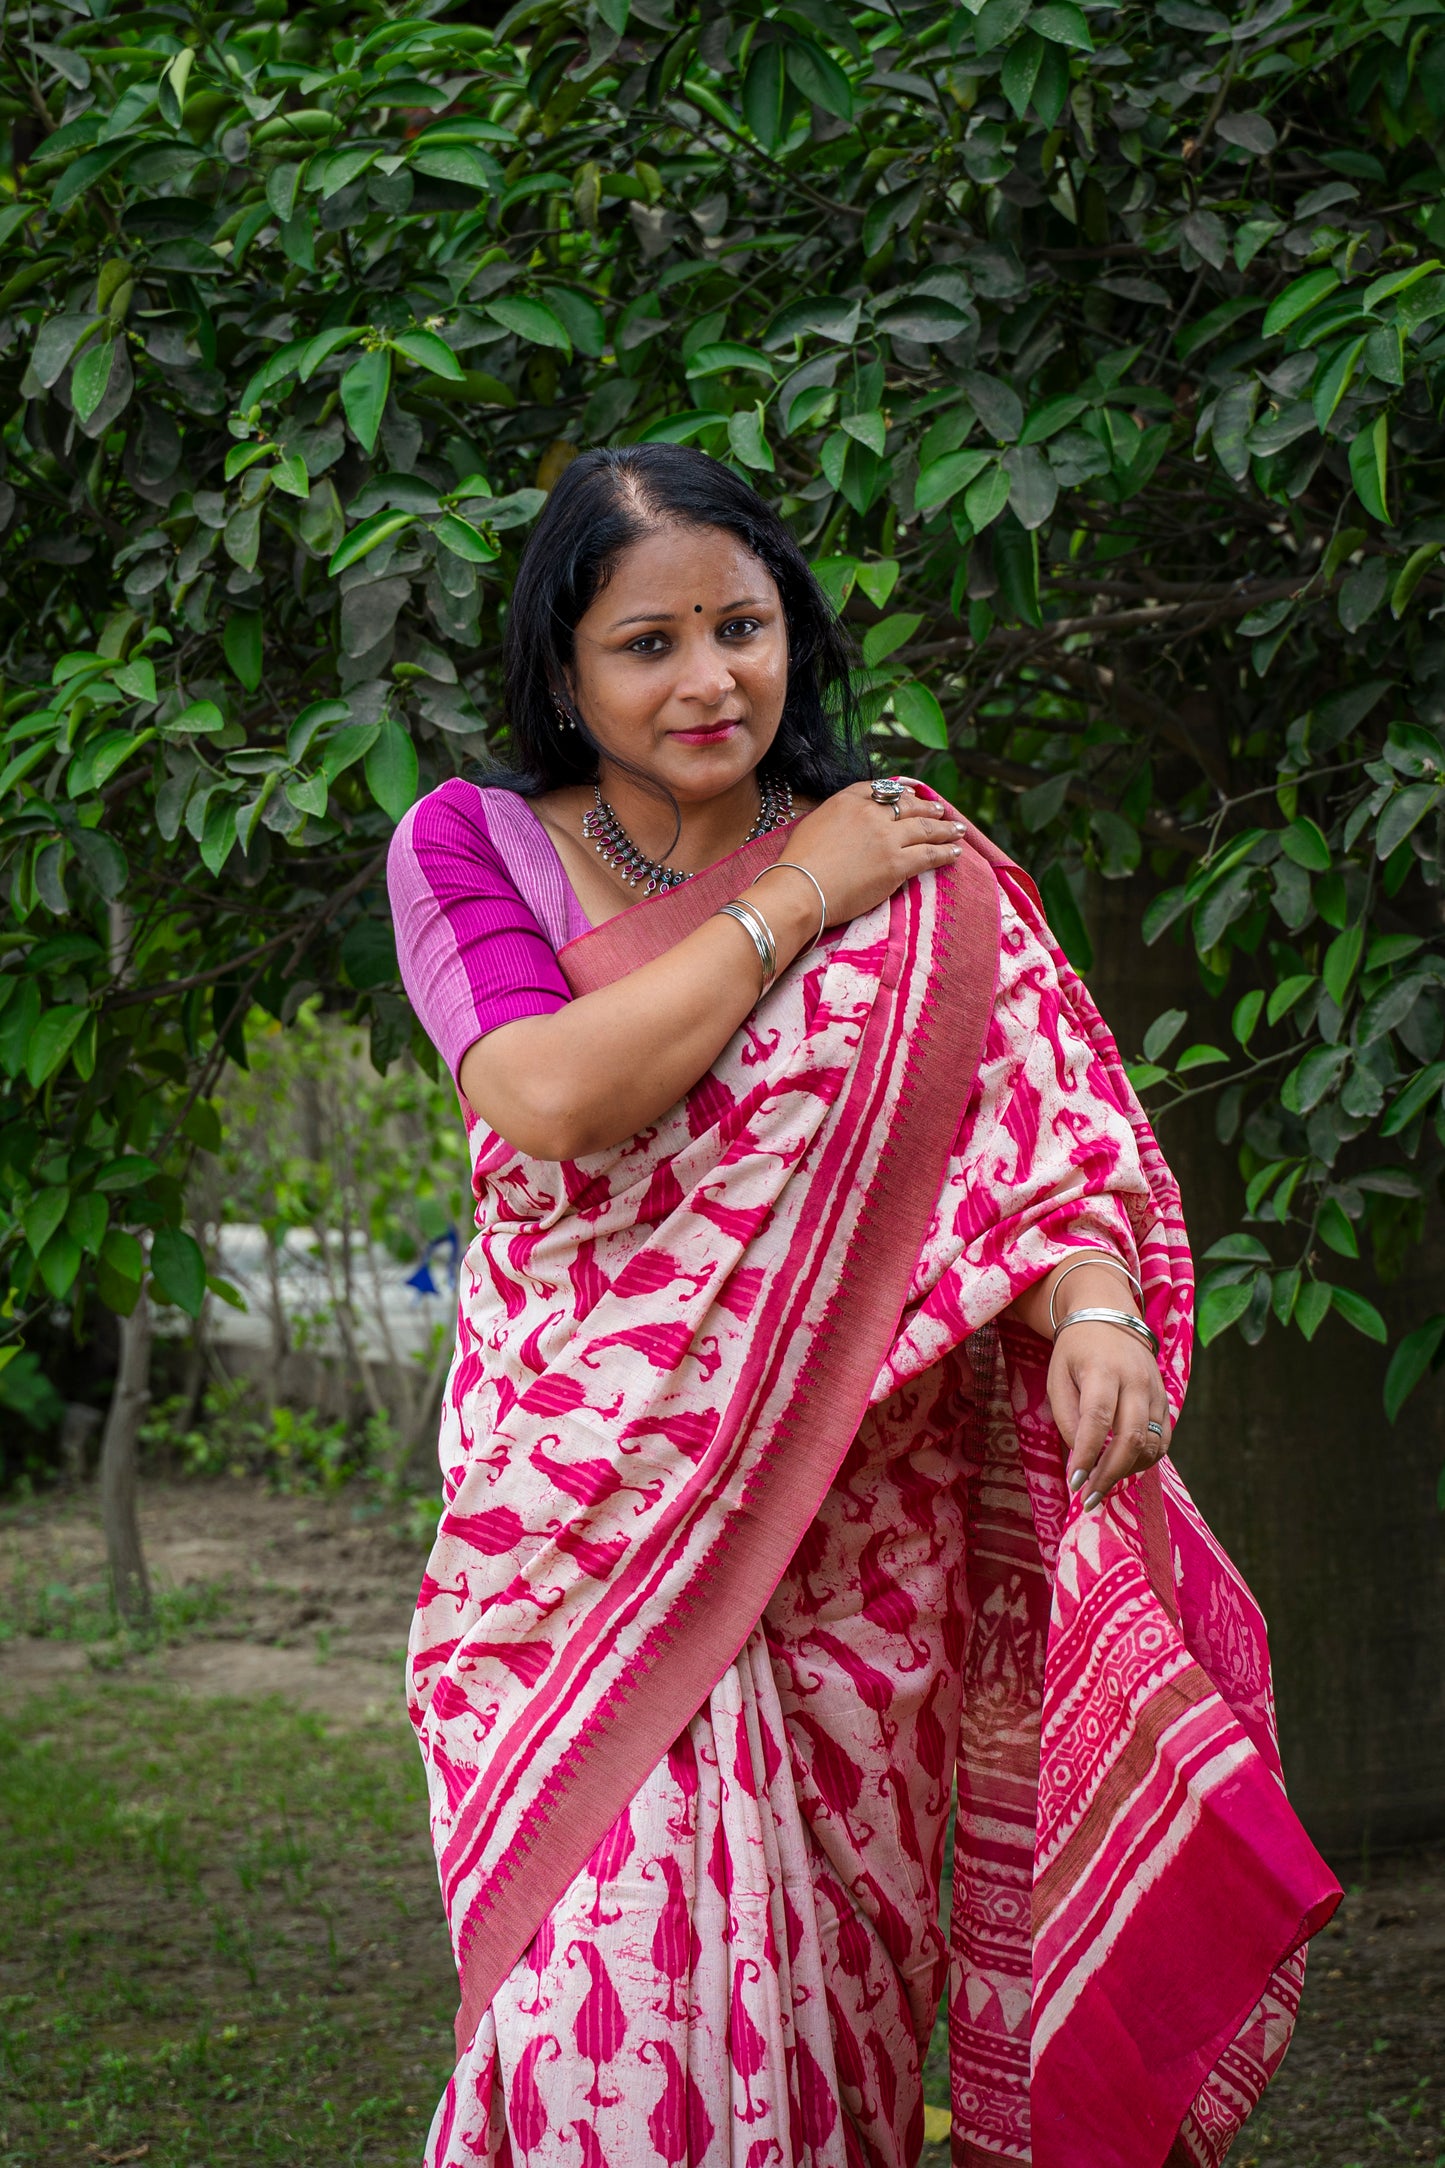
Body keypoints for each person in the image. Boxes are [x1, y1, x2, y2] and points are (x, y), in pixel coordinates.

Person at [387, 445, 1338, 2168]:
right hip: (577, 1553)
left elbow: (1034, 1139)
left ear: (793, 636)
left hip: (852, 1579)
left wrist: (1098, 1303)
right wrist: (796, 890)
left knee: (828, 2036)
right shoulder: (479, 845)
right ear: (559, 671)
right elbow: (544, 1098)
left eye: (739, 626)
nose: (706, 678)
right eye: (645, 642)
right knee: (600, 2019)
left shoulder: (922, 869)